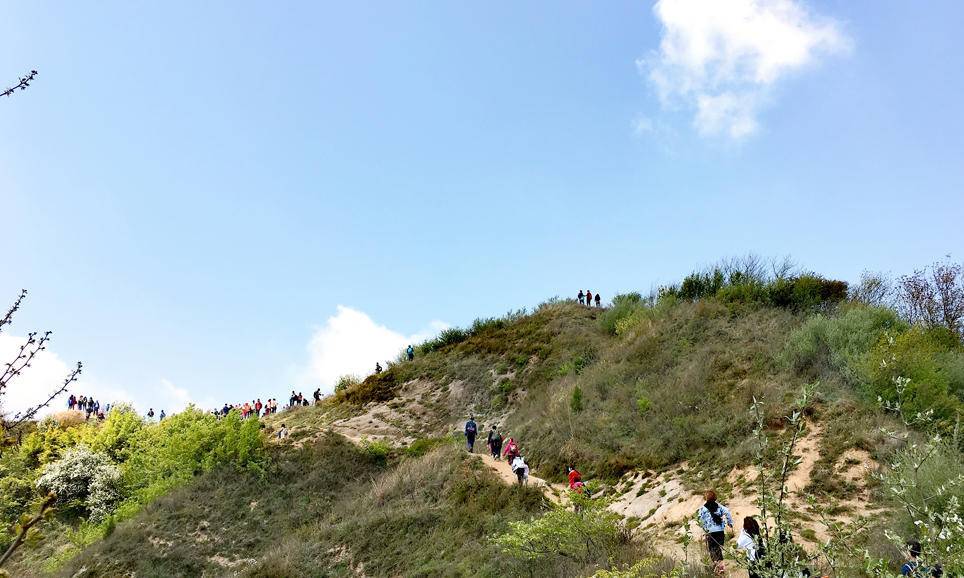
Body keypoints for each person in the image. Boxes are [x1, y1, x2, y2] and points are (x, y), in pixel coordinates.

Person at [698, 490, 734, 576]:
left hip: (710, 532)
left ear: (706, 498)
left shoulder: (703, 509)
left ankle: (718, 567)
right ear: (715, 497)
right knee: (718, 548)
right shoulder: (720, 507)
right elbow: (727, 512)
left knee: (712, 549)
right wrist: (730, 523)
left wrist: (704, 528)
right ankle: (720, 566)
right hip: (720, 531)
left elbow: (700, 520)